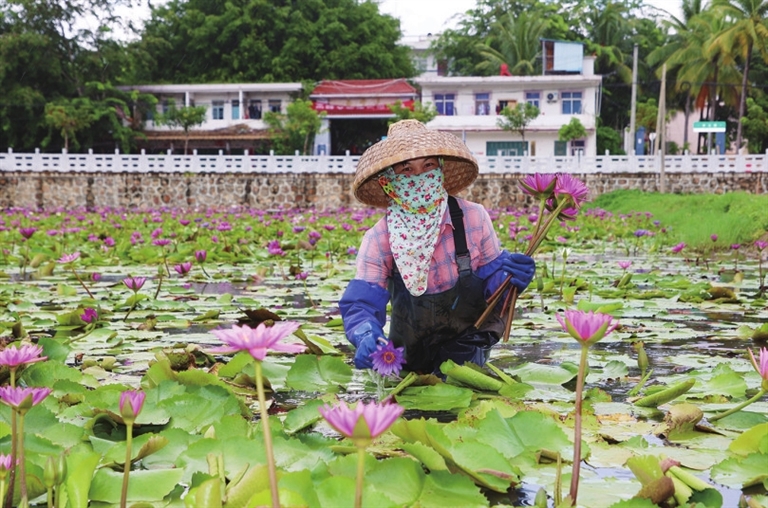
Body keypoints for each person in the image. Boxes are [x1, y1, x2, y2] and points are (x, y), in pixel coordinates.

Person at [338, 120, 536, 374]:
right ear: (389, 182)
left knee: (459, 383)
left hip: (468, 347)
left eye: (428, 165)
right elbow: (362, 303)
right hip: (408, 355)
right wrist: (365, 333)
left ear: (440, 169)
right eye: (406, 169)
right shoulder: (379, 238)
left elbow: (491, 288)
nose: (419, 176)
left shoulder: (474, 218)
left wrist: (510, 278)